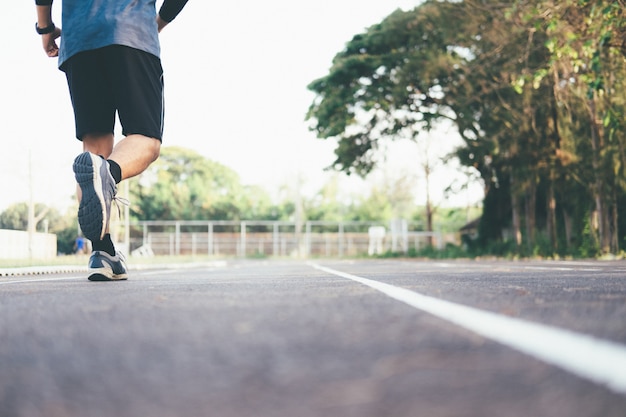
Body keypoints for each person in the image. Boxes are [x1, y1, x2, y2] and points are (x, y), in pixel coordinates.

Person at [35, 0, 188, 281]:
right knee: (146, 140)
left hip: (79, 40)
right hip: (132, 32)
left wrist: (44, 27)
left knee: (94, 148)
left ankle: (102, 254)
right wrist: (157, 23)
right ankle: (109, 173)